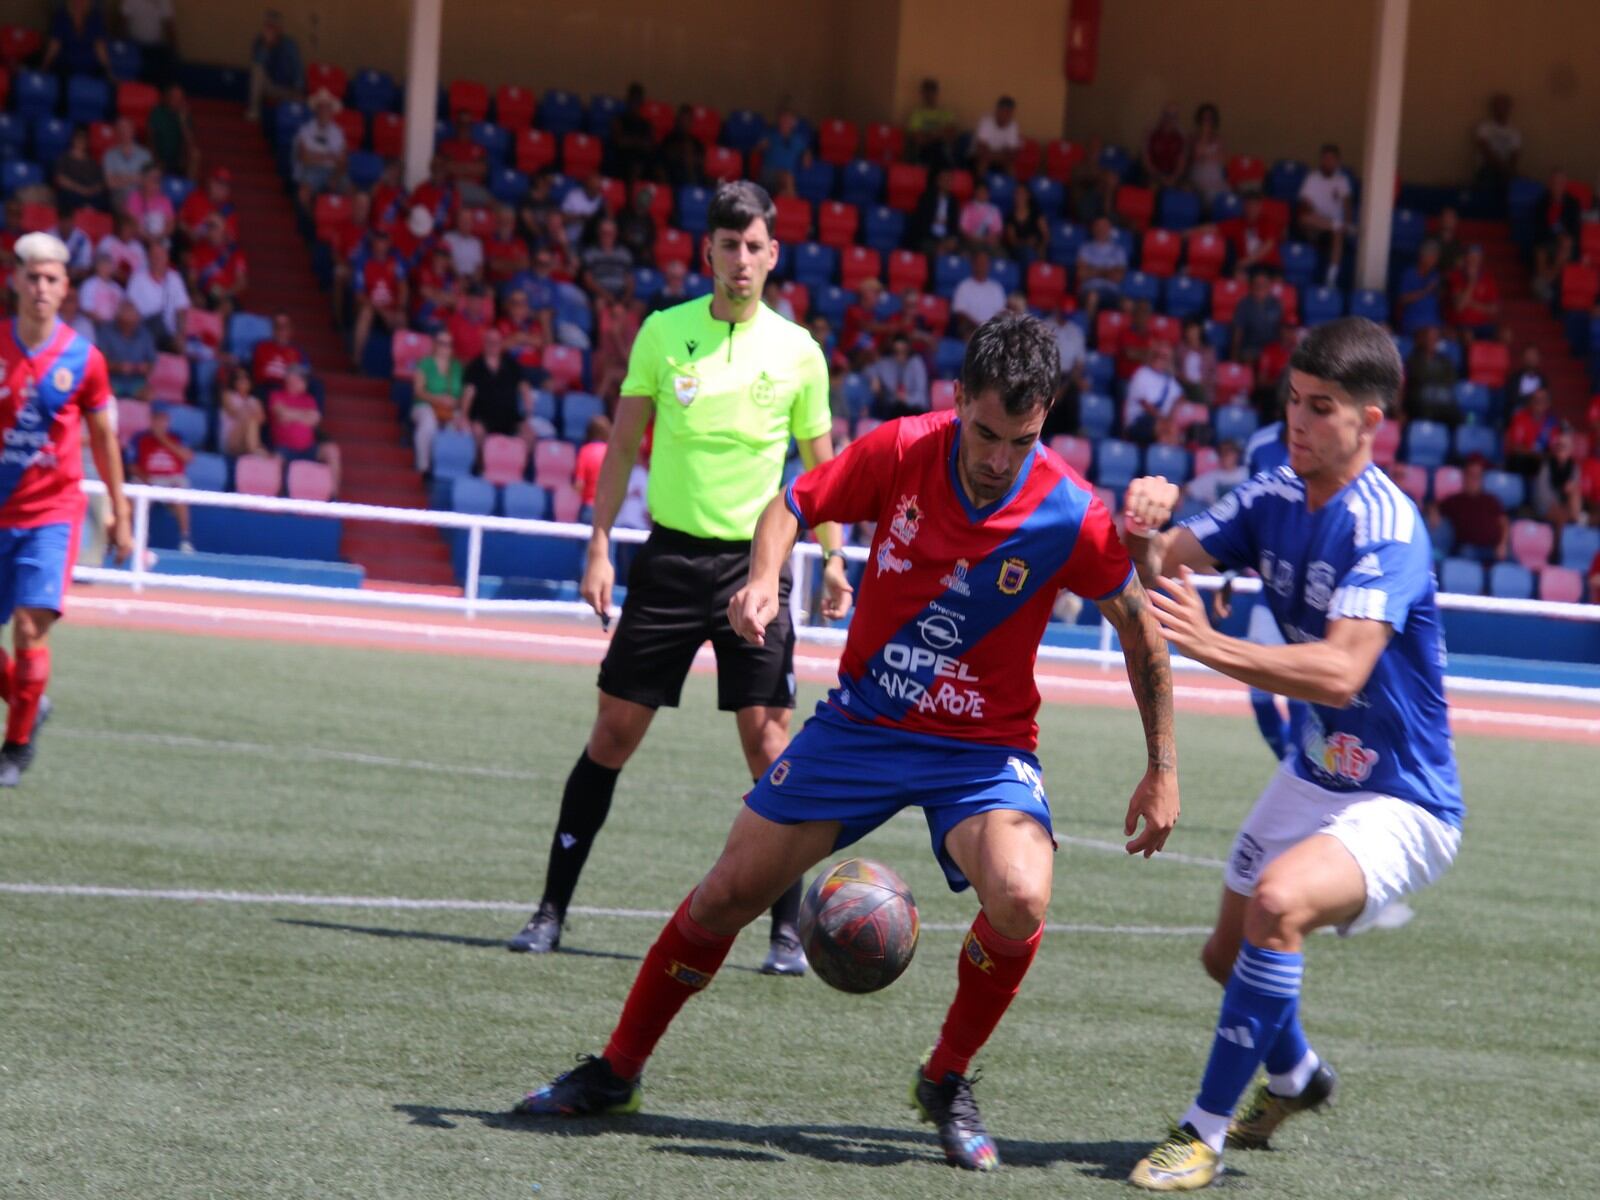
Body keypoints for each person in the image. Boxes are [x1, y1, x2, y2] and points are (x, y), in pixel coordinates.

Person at [512, 313, 1180, 1174]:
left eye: (1018, 439)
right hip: (863, 723)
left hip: (980, 748)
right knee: (724, 897)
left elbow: (1141, 632)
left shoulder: (1070, 511)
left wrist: (1162, 769)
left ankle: (944, 1078)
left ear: (1044, 415)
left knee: (1020, 897)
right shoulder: (901, 449)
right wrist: (760, 582)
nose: (994, 456)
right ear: (956, 400)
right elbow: (791, 504)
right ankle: (616, 1070)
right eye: (981, 431)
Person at [1119, 316, 1463, 1190]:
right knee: (1225, 959)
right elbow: (1159, 558)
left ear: (1371, 422)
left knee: (1277, 903)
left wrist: (1209, 647)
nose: (1298, 423)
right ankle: (1299, 1078)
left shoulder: (1389, 526)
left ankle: (1202, 1134)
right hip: (1315, 772)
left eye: (1321, 408)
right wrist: (1143, 516)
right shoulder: (1274, 494)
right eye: (1292, 403)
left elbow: (1344, 672)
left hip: (1403, 798)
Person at [503, 182, 848, 972]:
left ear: (773, 255)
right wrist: (597, 543)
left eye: (754, 247)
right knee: (612, 735)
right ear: (708, 253)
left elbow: (824, 472)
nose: (741, 261)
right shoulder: (663, 334)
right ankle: (551, 911)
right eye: (728, 247)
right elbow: (622, 448)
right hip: (667, 562)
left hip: (757, 568)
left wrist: (832, 558)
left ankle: (786, 934)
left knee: (771, 746)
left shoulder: (798, 351)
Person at [0, 232, 133, 786]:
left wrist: (119, 512)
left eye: (51, 279)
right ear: (15, 281)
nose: (40, 288)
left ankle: (16, 745)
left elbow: (104, 439)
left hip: (51, 514)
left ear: (65, 289)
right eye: (32, 277)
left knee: (31, 628)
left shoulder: (85, 359)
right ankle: (27, 697)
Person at [131, 400, 194, 552]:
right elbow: (131, 465)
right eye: (156, 418)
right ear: (151, 420)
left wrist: (163, 439)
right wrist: (146, 479)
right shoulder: (140, 438)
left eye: (163, 418)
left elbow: (188, 457)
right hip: (148, 479)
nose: (160, 422)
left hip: (172, 480)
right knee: (135, 489)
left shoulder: (177, 437)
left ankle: (185, 540)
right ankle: (138, 539)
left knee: (181, 491)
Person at [461, 326, 534, 454]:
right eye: (490, 341)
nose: (493, 345)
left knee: (529, 435)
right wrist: (465, 416)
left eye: (496, 341)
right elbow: (468, 393)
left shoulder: (511, 364)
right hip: (483, 416)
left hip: (510, 416)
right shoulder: (474, 366)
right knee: (477, 431)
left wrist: (528, 415)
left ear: (501, 343)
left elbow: (525, 388)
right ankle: (482, 468)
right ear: (484, 343)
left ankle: (518, 470)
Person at [268, 364, 340, 494]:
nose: (304, 382)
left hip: (308, 448)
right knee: (275, 459)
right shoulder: (277, 395)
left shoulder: (309, 399)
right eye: (300, 378)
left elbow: (315, 419)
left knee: (332, 450)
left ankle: (333, 495)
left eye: (304, 379)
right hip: (285, 448)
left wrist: (291, 415)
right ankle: (276, 500)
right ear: (290, 379)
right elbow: (281, 415)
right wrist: (303, 415)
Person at [1431, 453, 1506, 562]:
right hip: (1468, 549)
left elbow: (1504, 522)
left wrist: (1502, 543)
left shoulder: (1491, 500)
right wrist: (1434, 513)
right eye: (1472, 475)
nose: (1475, 480)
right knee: (1466, 552)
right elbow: (1435, 505)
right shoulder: (1455, 500)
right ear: (1465, 476)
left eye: (1478, 476)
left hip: (1493, 549)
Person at [1296, 144, 1352, 287]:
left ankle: (1331, 278)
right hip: (1314, 224)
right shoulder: (1312, 178)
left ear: (1337, 161)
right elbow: (1304, 204)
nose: (1328, 162)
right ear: (1321, 160)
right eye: (1325, 158)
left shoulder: (1342, 180)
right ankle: (1336, 225)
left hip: (1332, 229)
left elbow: (1347, 204)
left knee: (1338, 232)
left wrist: (1347, 222)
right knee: (1304, 217)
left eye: (1332, 159)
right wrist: (1316, 215)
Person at [411, 331, 463, 472]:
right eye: (442, 343)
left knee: (460, 427)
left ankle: (445, 468)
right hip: (424, 405)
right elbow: (418, 391)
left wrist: (455, 402)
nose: (445, 347)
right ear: (435, 345)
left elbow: (462, 395)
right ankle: (423, 466)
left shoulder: (457, 367)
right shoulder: (425, 363)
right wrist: (437, 399)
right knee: (429, 424)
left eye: (449, 344)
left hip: (450, 409)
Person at [126, 242, 190, 346]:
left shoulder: (174, 278)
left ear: (166, 257)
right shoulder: (137, 278)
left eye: (160, 255)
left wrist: (180, 334)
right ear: (148, 258)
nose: (157, 259)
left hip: (169, 335)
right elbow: (130, 307)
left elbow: (181, 310)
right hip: (144, 331)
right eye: (154, 255)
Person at [247, 9, 305, 121]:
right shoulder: (259, 42)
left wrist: (299, 90)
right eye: (268, 26)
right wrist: (267, 46)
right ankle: (254, 111)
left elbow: (298, 70)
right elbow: (257, 62)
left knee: (305, 104)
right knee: (257, 69)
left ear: (280, 29)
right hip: (270, 87)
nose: (270, 30)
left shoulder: (289, 44)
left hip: (288, 89)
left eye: (274, 27)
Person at [293, 90, 348, 206]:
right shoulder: (305, 130)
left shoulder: (338, 133)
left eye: (328, 108)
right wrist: (331, 156)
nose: (324, 111)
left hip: (333, 171)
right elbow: (304, 158)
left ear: (332, 111)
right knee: (303, 193)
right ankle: (313, 222)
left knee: (350, 189)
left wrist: (335, 177)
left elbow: (343, 161)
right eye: (321, 107)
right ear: (316, 110)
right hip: (311, 170)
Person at [1123, 341, 1183, 443]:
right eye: (1157, 355)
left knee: (1173, 432)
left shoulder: (1169, 379)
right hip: (1137, 422)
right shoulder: (1141, 374)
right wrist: (1165, 420)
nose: (1159, 358)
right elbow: (1146, 405)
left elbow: (1180, 397)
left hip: (1161, 421)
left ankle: (1164, 455)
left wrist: (1171, 415)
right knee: (1163, 429)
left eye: (1164, 356)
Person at [98, 299, 157, 398]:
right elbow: (100, 362)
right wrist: (119, 367)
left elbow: (152, 363)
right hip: (113, 380)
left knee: (149, 396)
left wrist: (142, 368)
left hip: (136, 382)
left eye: (132, 324)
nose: (129, 326)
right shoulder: (106, 332)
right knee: (103, 396)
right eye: (125, 323)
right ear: (118, 320)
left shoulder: (145, 334)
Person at [40, 0, 111, 80]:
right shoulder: (61, 16)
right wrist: (44, 67)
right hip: (66, 68)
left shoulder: (96, 17)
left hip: (90, 68)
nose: (78, 1)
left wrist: (109, 71)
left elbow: (100, 47)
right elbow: (54, 45)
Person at [866, 331, 929, 418]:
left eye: (903, 351)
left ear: (908, 349)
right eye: (897, 351)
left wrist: (906, 399)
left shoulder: (916, 363)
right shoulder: (886, 362)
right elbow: (869, 369)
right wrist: (874, 378)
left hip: (914, 407)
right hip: (893, 407)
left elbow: (921, 395)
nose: (900, 355)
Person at [1075, 215, 1127, 319]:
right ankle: (1088, 332)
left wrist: (1093, 270)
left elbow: (1118, 277)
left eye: (1104, 227)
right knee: (1093, 297)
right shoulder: (1085, 248)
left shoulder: (1118, 250)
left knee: (1128, 304)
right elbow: (1081, 274)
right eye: (1098, 226)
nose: (1101, 230)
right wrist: (1107, 271)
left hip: (1112, 292)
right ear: (1094, 229)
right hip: (1089, 290)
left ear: (1110, 229)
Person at [1472, 93, 1521, 202]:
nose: (1500, 109)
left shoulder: (1514, 132)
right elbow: (1485, 150)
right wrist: (1503, 168)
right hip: (1487, 170)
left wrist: (1509, 170)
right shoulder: (1484, 127)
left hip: (1506, 172)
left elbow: (1515, 155)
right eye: (1497, 106)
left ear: (1509, 109)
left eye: (1503, 106)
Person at [53, 128, 109, 215]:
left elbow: (100, 183)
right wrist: (80, 189)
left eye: (83, 140)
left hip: (90, 194)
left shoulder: (92, 162)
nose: (80, 142)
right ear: (73, 141)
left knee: (103, 200)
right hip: (73, 192)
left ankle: (90, 212)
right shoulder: (65, 158)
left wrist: (92, 190)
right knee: (66, 197)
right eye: (78, 139)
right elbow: (61, 179)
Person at [951, 250, 1006, 338]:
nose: (982, 265)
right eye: (979, 262)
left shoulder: (996, 288)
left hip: (993, 332)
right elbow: (960, 314)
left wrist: (990, 328)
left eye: (985, 262)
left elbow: (1001, 313)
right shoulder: (963, 286)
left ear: (989, 265)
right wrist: (980, 328)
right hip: (972, 331)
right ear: (973, 264)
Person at [1230, 271, 1283, 363]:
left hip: (1271, 348)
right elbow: (1238, 332)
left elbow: (1281, 329)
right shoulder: (1244, 304)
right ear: (1251, 286)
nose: (1260, 286)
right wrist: (1234, 355)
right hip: (1250, 347)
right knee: (1249, 357)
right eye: (1257, 283)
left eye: (1264, 283)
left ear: (1269, 285)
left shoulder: (1276, 304)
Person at [148, 85, 198, 180]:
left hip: (178, 160)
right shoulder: (157, 112)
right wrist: (156, 159)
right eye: (174, 97)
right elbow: (150, 139)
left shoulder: (185, 115)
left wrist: (183, 121)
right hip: (160, 157)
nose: (176, 100)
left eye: (179, 98)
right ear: (167, 97)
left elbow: (190, 143)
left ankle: (189, 186)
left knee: (195, 155)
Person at [219, 365, 270, 458]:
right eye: (239, 378)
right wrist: (250, 410)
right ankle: (254, 449)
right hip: (231, 440)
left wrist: (249, 411)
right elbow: (234, 413)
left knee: (252, 420)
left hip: (248, 439)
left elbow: (262, 419)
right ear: (233, 381)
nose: (243, 380)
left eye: (246, 378)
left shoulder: (255, 400)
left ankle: (254, 448)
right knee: (249, 418)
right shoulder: (228, 395)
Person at [905, 78, 957, 169]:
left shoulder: (946, 113)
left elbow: (951, 137)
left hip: (941, 150)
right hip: (924, 151)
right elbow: (919, 140)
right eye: (926, 92)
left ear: (936, 93)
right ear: (922, 94)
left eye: (932, 92)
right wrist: (939, 134)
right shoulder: (917, 114)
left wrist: (929, 135)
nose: (929, 95)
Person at [1186, 104, 1228, 214]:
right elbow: (1196, 156)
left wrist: (1208, 156)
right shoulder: (1193, 138)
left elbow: (1223, 160)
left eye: (1210, 118)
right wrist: (1204, 136)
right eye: (1204, 118)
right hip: (1199, 177)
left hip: (1216, 178)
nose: (1207, 121)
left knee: (1228, 197)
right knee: (1209, 196)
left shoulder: (1218, 139)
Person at [101, 118, 153, 206]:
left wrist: (120, 177)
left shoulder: (145, 155)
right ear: (117, 132)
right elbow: (110, 184)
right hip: (119, 197)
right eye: (121, 129)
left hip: (141, 196)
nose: (124, 133)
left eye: (127, 129)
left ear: (133, 131)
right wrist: (135, 178)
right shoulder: (109, 155)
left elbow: (148, 180)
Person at [1185, 440, 1247, 506]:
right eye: (1222, 453)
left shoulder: (1246, 473)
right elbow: (1187, 489)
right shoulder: (1211, 477)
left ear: (1236, 455)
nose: (1225, 456)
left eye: (1228, 452)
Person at [970, 96, 1021, 178]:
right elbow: (981, 149)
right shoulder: (986, 121)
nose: (1007, 115)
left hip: (998, 157)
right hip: (979, 156)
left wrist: (998, 155)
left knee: (1011, 166)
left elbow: (1012, 153)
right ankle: (980, 186)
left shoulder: (1013, 125)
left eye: (1010, 112)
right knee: (984, 161)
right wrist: (1001, 154)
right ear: (997, 110)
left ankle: (1012, 187)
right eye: (1004, 111)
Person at [1140, 103, 1187, 190]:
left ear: (1177, 118)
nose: (1170, 119)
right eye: (1167, 115)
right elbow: (1146, 162)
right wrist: (1160, 177)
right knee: (1153, 187)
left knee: (1187, 189)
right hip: (1153, 175)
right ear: (1162, 116)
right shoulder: (1151, 133)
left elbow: (1181, 164)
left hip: (1173, 176)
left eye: (1174, 116)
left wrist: (1173, 178)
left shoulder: (1181, 137)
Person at [573, 414, 611, 509]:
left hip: (588, 506)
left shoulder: (585, 451)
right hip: (606, 508)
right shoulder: (611, 453)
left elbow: (579, 484)